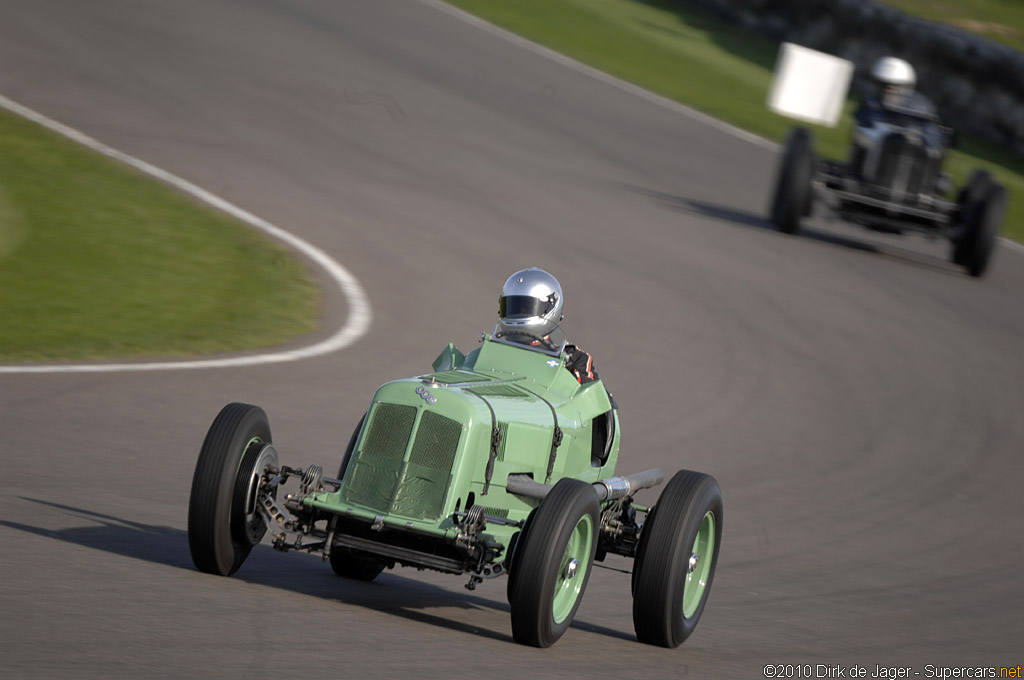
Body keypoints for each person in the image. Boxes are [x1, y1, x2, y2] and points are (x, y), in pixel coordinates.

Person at [496, 267, 598, 384]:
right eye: (513, 308)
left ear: (550, 308)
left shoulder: (574, 360)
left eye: (526, 309)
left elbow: (596, 399)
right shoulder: (490, 352)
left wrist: (568, 374)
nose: (518, 315)